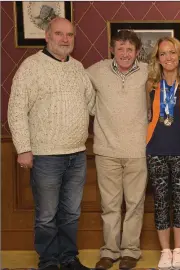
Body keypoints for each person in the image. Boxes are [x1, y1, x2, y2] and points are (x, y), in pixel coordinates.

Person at [7, 17, 94, 270]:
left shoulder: (78, 68)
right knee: (46, 216)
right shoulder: (30, 67)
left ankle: (68, 259)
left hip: (77, 154)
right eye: (59, 34)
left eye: (69, 35)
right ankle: (48, 261)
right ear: (47, 36)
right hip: (45, 156)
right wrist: (23, 148)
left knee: (71, 214)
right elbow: (16, 110)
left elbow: (92, 105)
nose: (65, 39)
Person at [87, 30, 149, 270]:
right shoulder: (96, 71)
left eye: (130, 49)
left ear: (136, 52)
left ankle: (130, 252)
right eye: (120, 48)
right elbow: (79, 92)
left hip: (138, 150)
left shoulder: (146, 72)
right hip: (106, 150)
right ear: (112, 49)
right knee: (110, 205)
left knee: (135, 203)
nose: (125, 54)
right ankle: (110, 251)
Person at [145, 37, 180, 270]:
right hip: (156, 149)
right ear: (157, 59)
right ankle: (165, 251)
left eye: (172, 53)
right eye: (163, 54)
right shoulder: (151, 85)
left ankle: (178, 251)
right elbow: (146, 114)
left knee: (179, 200)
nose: (168, 58)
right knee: (160, 201)